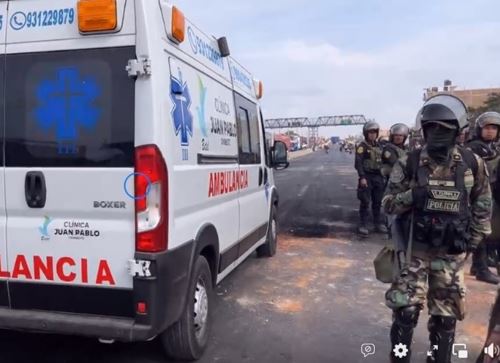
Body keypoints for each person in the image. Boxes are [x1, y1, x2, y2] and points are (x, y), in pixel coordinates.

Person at [382, 94, 492, 363]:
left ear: (458, 131)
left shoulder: (471, 163)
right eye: (432, 128)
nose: (437, 134)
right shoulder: (409, 161)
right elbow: (387, 204)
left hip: (451, 253)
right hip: (413, 251)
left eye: (444, 129)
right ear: (424, 129)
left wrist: (471, 244)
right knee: (405, 312)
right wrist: (411, 197)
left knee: (445, 318)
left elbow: (483, 205)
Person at [467, 112, 500, 284]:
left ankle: (480, 265)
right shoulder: (474, 148)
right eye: (487, 127)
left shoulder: (493, 148)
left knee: (489, 231)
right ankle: (481, 268)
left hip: (491, 194)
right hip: (477, 194)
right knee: (480, 230)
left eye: (494, 128)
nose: (490, 131)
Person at [355, 121, 388, 236]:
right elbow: (358, 163)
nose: (373, 134)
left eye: (374, 132)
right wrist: (362, 177)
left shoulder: (379, 146)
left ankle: (377, 223)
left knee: (378, 202)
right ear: (366, 133)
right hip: (367, 177)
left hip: (378, 177)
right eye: (370, 132)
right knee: (365, 201)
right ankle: (363, 224)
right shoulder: (362, 146)